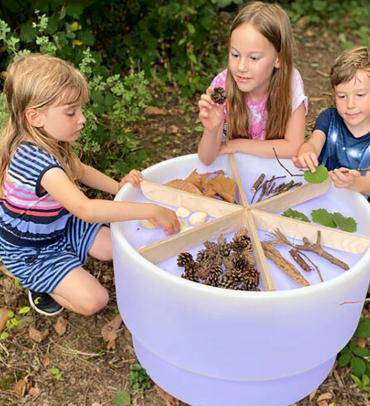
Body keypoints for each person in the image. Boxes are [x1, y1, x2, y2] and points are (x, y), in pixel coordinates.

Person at [0, 53, 180, 317]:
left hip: (60, 225)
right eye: (71, 112)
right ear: (35, 117)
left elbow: (81, 171)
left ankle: (67, 265)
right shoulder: (38, 162)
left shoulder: (51, 142)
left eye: (80, 110)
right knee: (95, 300)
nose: (82, 119)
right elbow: (85, 209)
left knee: (114, 246)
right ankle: (40, 284)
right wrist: (150, 210)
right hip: (33, 251)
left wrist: (118, 188)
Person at [198, 1, 307, 165]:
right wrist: (213, 130)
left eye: (254, 58)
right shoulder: (222, 87)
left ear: (278, 58)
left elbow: (294, 147)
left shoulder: (290, 82)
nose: (241, 67)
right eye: (235, 55)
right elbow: (207, 159)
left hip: (275, 172)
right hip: (237, 170)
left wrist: (238, 144)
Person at [293, 46, 370, 197]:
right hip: (322, 197)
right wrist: (306, 153)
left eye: (360, 95)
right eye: (342, 96)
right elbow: (314, 143)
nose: (350, 104)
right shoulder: (330, 118)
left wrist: (354, 183)